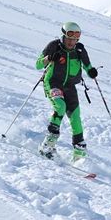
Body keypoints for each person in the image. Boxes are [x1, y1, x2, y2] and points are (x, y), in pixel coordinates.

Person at [35, 22, 98, 161]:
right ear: (63, 36)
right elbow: (38, 64)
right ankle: (48, 145)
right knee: (61, 106)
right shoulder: (54, 46)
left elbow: (88, 66)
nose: (71, 42)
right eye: (69, 39)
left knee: (76, 117)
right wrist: (50, 58)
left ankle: (79, 156)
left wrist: (91, 72)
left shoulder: (80, 50)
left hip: (70, 86)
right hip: (53, 83)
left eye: (75, 39)